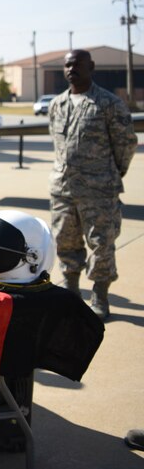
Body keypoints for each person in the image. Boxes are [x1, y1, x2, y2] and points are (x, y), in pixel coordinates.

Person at [48, 49, 136, 320]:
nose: (71, 69)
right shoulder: (57, 104)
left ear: (91, 67)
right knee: (66, 242)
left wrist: (110, 174)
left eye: (77, 64)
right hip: (63, 189)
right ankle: (72, 294)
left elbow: (126, 143)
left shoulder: (108, 103)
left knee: (102, 244)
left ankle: (100, 296)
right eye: (67, 65)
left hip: (99, 190)